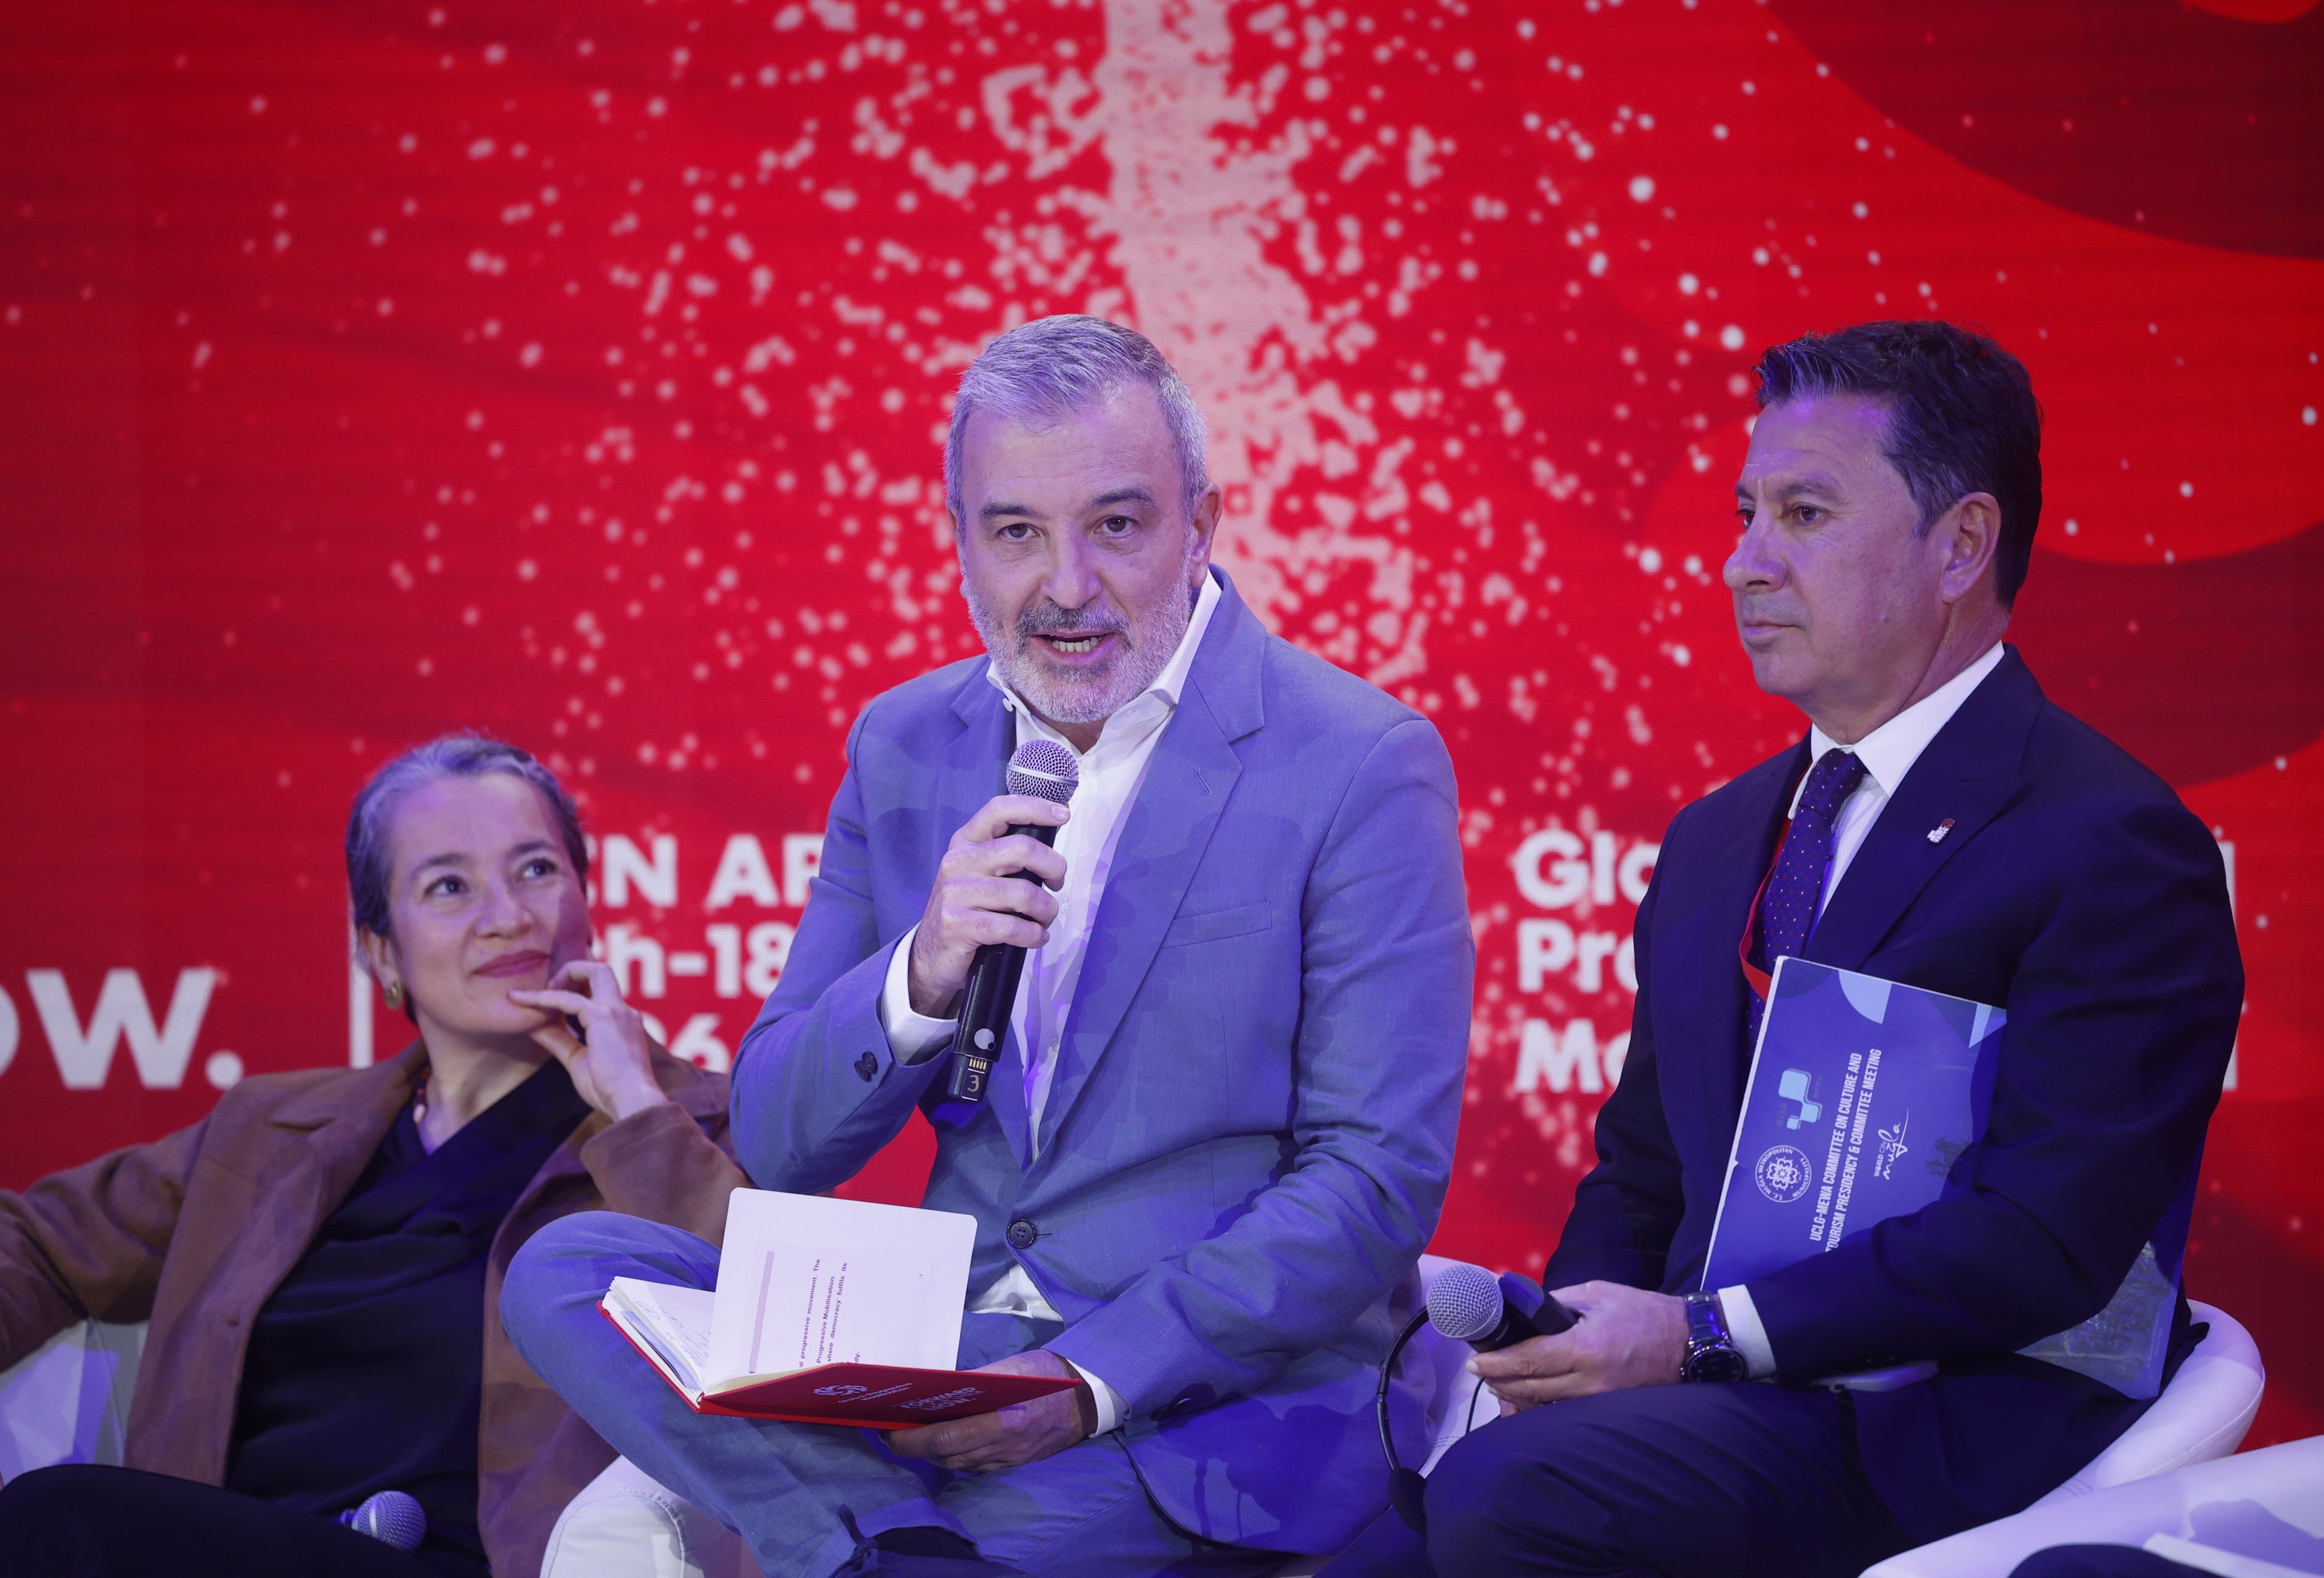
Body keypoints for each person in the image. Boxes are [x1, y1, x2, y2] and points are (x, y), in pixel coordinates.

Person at [500, 314, 1474, 1578]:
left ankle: (868, 1539)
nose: (1065, 585)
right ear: (960, 538)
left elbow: (1373, 1178)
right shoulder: (904, 742)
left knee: (995, 1531)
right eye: (1016, 532)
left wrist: (1085, 1380)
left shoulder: (1358, 759)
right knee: (572, 1268)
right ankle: (887, 1540)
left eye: (1116, 525)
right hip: (939, 1349)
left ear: (1203, 524)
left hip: (1197, 1403)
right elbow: (781, 1140)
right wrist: (921, 973)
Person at [1329, 321, 2243, 1577]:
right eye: (1745, 514)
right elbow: (1642, 1172)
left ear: (1961, 544)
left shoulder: (2109, 841)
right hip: (1716, 1407)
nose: (1744, 563)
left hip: (1943, 1423)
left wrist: (1700, 1337)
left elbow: (2044, 1239)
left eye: (1803, 515)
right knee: (1380, 1540)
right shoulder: (1717, 839)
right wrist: (1568, 1344)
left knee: (1510, 1499)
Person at [0, 735, 747, 1578]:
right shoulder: (267, 1132)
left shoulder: (695, 1124)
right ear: (382, 952)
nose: (507, 915)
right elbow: (37, 1245)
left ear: (586, 897)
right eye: (449, 886)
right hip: (225, 1545)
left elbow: (768, 1334)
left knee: (57, 1519)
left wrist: (633, 1104)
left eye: (537, 869)